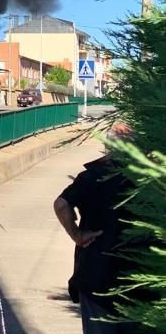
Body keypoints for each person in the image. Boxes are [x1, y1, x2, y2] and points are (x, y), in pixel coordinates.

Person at [53, 122, 134, 333]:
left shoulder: (90, 177)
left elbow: (61, 205)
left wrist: (77, 234)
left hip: (95, 275)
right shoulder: (145, 179)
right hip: (136, 280)